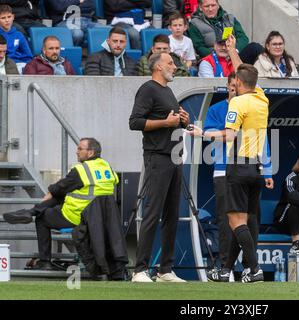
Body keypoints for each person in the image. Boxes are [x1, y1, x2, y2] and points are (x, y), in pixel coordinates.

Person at [191, 63, 270, 283]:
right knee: (243, 220)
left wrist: (201, 134)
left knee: (235, 222)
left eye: (235, 81)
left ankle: (254, 269)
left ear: (238, 83)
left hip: (237, 166)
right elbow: (247, 74)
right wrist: (234, 51)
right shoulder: (262, 99)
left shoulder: (237, 102)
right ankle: (226, 270)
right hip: (256, 167)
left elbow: (229, 136)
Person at [2, 138, 119, 271]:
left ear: (91, 153)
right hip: (102, 219)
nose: (77, 152)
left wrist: (42, 203)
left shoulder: (82, 170)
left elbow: (57, 188)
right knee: (62, 195)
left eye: (80, 149)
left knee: (42, 218)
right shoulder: (107, 167)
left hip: (78, 217)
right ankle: (32, 211)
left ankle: (45, 260)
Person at [129, 52, 190, 283]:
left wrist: (183, 120)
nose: (175, 67)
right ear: (157, 67)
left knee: (172, 215)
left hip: (174, 158)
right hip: (158, 157)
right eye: (170, 63)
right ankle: (140, 270)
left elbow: (172, 122)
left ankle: (165, 269)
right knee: (153, 212)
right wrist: (166, 122)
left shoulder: (167, 91)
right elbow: (135, 122)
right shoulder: (148, 88)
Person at [188, 0, 263, 64]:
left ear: (218, 5)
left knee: (255, 47)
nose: (210, 9)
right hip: (214, 60)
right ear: (200, 8)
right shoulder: (194, 23)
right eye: (207, 6)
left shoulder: (229, 18)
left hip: (234, 55)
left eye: (213, 5)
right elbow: (199, 48)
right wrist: (220, 53)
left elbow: (243, 38)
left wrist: (234, 52)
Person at [0, 5, 32, 72]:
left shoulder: (19, 35)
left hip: (18, 64)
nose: (7, 20)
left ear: (13, 17)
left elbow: (28, 56)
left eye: (9, 17)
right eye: (3, 18)